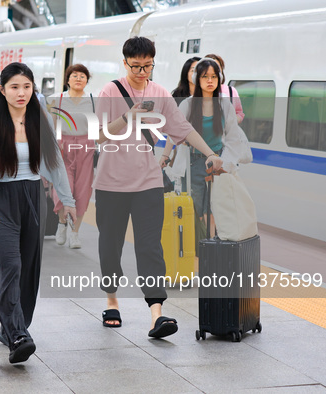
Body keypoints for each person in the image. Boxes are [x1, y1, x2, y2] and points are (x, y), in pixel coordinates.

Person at [93, 37, 223, 336]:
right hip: (111, 185)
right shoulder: (110, 91)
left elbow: (182, 129)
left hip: (148, 183)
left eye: (147, 66)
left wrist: (210, 153)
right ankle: (111, 301)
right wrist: (128, 116)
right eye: (136, 66)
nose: (142, 72)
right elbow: (98, 136)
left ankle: (157, 313)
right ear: (124, 62)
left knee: (151, 248)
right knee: (110, 247)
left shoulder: (160, 93)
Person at [0, 62, 76, 364]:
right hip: (3, 199)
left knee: (29, 270)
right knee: (10, 267)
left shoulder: (38, 122)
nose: (21, 93)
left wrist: (67, 200)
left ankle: (13, 327)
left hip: (33, 198)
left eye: (26, 86)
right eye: (14, 87)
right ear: (1, 90)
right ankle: (18, 334)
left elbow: (54, 162)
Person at [177, 57, 252, 237]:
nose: (210, 81)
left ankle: (210, 246)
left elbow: (233, 138)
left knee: (214, 207)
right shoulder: (187, 104)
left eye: (213, 77)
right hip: (194, 162)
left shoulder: (225, 104)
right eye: (205, 77)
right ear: (197, 79)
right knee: (195, 208)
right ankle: (196, 245)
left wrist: (224, 163)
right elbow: (178, 133)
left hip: (218, 162)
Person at [47, 63, 95, 249]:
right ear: (67, 79)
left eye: (82, 76)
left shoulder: (92, 100)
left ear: (86, 81)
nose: (78, 79)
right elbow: (53, 125)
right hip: (63, 147)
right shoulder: (58, 99)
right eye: (74, 75)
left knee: (82, 191)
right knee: (63, 188)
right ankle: (61, 224)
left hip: (85, 147)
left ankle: (75, 234)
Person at [205, 53, 244, 124]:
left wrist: (233, 121)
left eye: (217, 68)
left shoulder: (231, 91)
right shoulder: (197, 91)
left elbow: (239, 113)